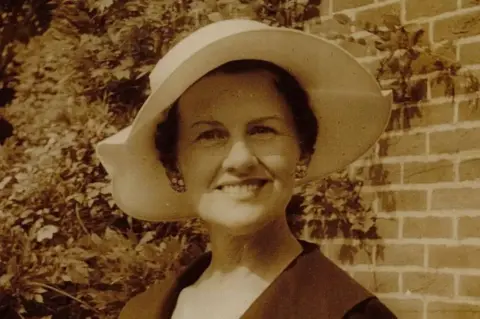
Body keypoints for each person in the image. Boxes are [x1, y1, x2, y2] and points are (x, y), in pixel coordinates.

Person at [96, 19, 396, 319]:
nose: (240, 159)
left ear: (302, 150)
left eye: (262, 130)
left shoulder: (349, 315)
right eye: (209, 135)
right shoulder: (141, 312)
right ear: (175, 165)